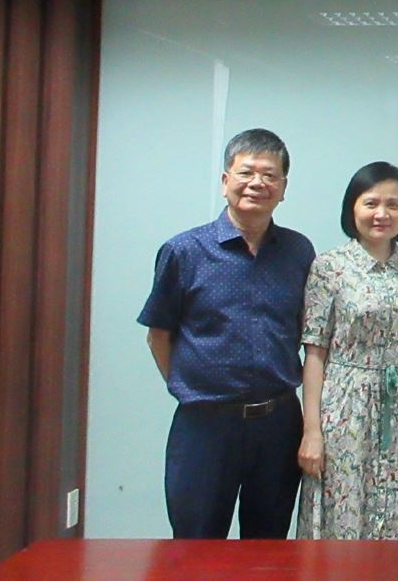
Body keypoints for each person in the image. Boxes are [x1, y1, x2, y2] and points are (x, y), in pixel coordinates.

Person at [137, 128, 314, 538]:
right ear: (225, 181)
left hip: (278, 423)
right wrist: (191, 388)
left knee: (268, 548)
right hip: (205, 424)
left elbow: (308, 332)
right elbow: (158, 334)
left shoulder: (298, 251)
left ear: (283, 188)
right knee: (197, 548)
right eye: (246, 172)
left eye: (270, 175)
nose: (257, 183)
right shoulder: (184, 251)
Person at [295, 162, 398, 539]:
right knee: (346, 507)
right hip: (345, 406)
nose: (382, 213)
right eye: (371, 203)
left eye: (393, 204)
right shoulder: (330, 268)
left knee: (395, 507)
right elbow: (315, 353)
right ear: (352, 208)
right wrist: (312, 431)